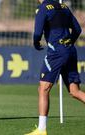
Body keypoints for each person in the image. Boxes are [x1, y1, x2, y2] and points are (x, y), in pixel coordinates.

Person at [25, 0, 85, 134]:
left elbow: (37, 33)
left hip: (56, 51)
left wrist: (36, 43)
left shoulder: (43, 8)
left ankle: (41, 130)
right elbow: (77, 29)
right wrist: (69, 43)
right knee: (75, 91)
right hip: (70, 50)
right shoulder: (64, 7)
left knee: (43, 88)